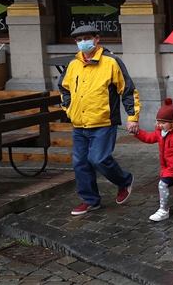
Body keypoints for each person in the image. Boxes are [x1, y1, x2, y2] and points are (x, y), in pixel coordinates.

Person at [59, 24, 139, 216]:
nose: (82, 43)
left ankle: (124, 181)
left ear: (97, 39)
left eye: (86, 38)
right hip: (79, 123)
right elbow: (64, 88)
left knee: (98, 159)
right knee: (80, 164)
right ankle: (90, 200)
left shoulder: (111, 62)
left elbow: (127, 90)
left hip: (103, 122)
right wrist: (69, 109)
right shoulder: (73, 64)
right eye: (78, 40)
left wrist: (132, 117)